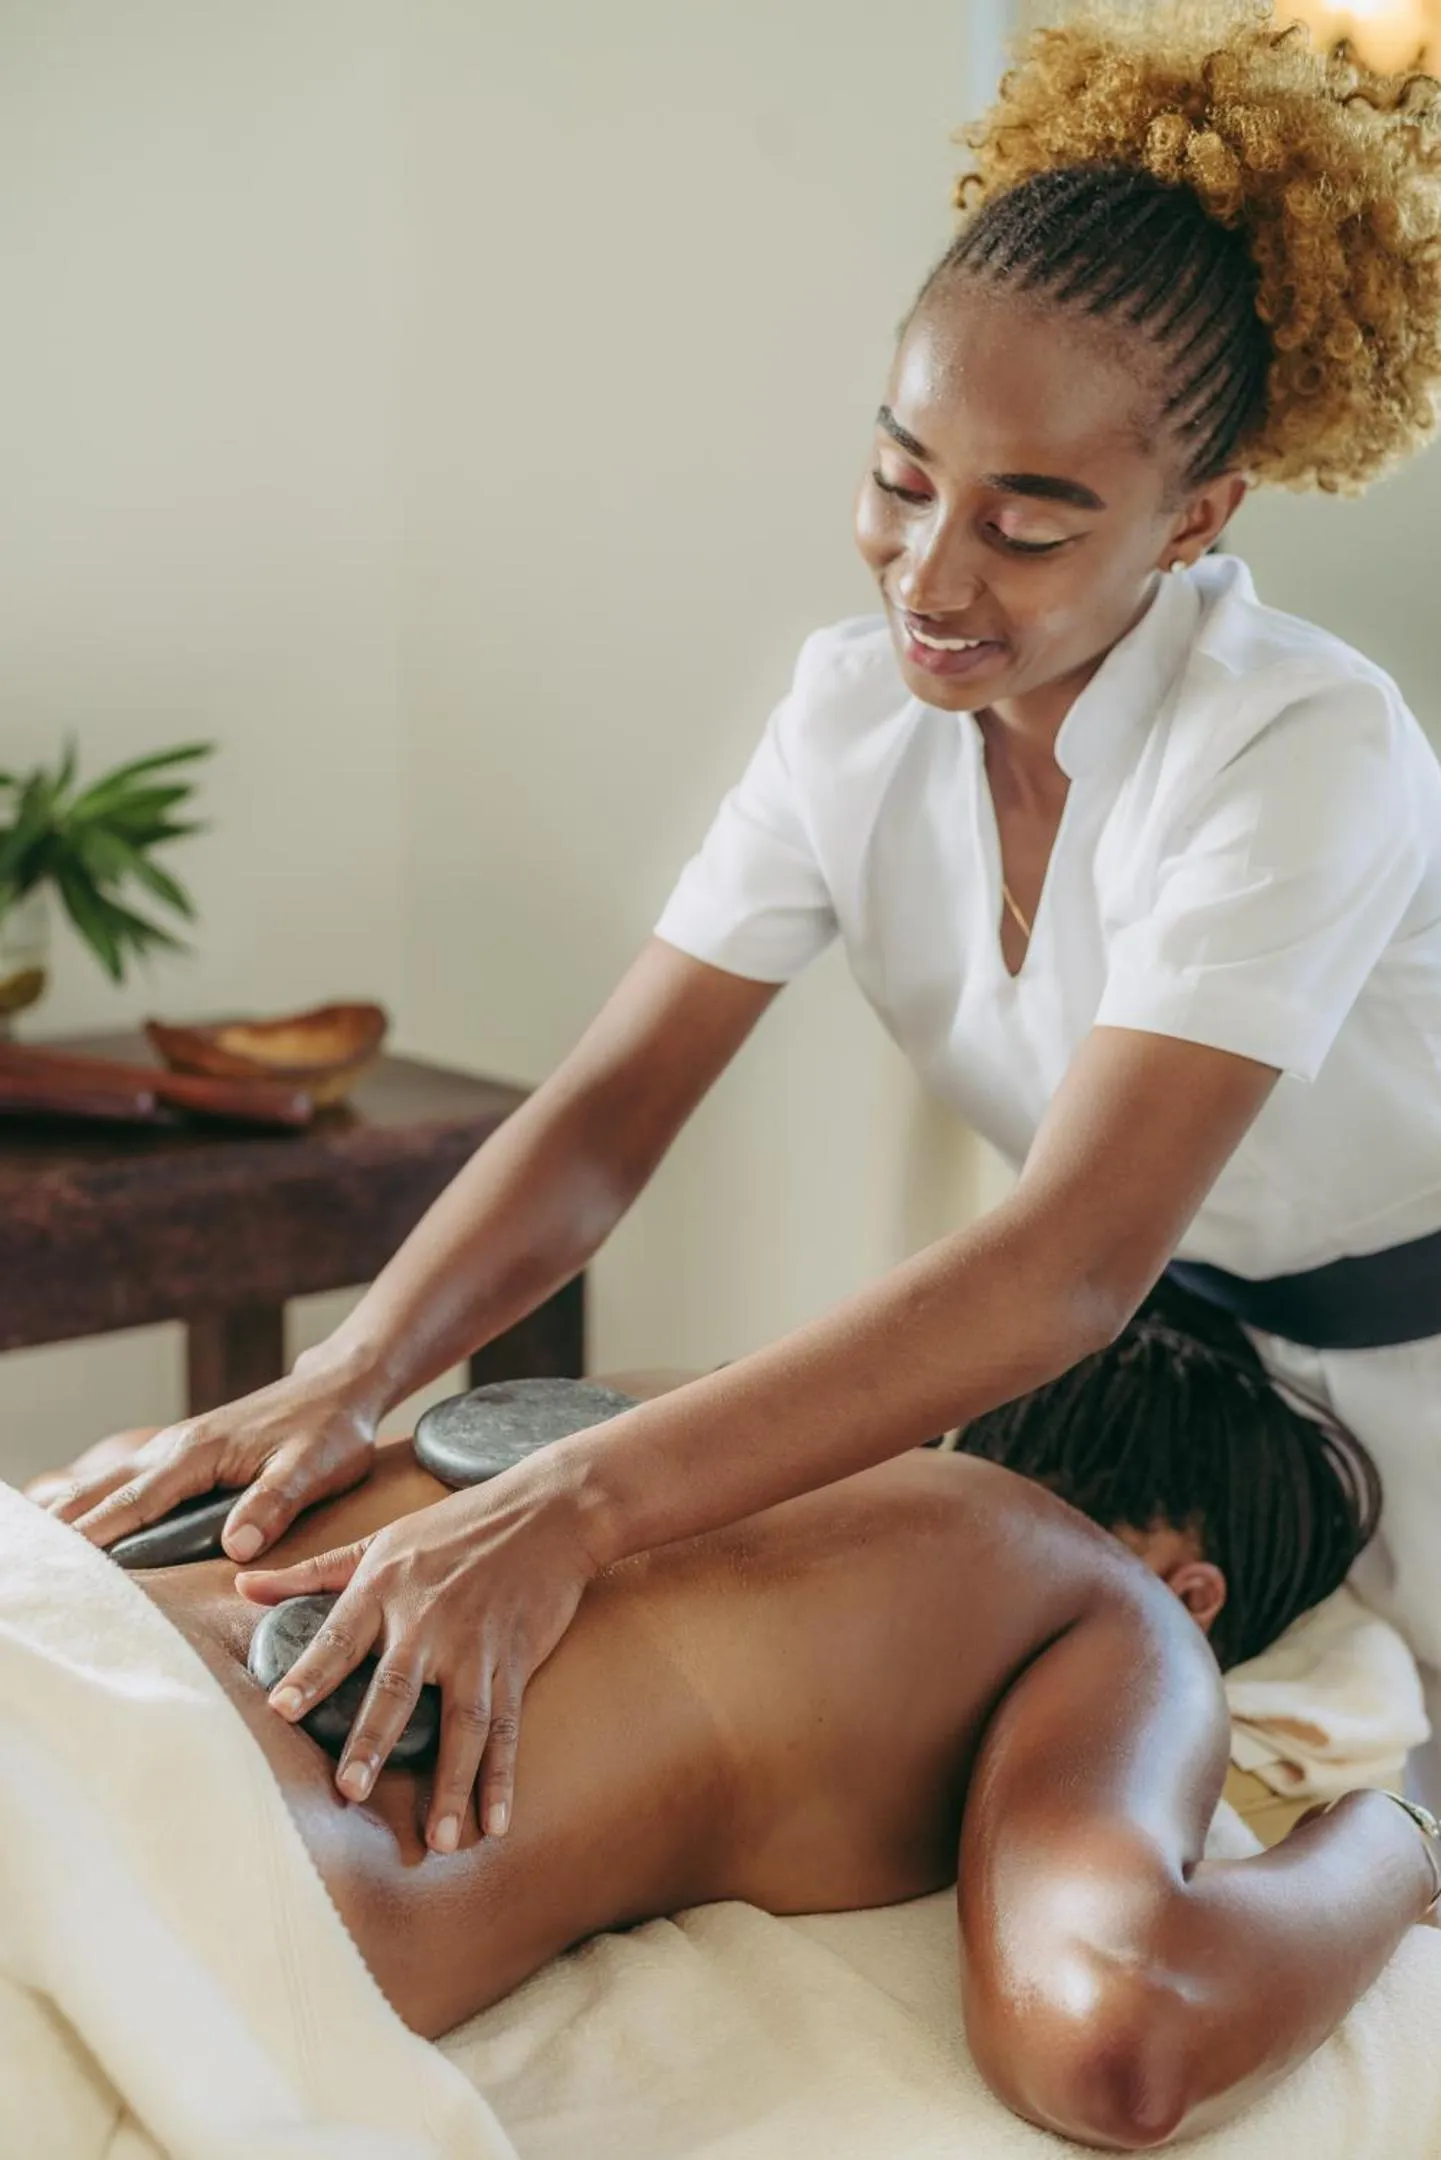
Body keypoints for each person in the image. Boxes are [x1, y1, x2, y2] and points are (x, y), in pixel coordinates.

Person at [43, 1, 1441, 1853]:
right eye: (898, 479)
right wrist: (347, 1371)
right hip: (1129, 1382)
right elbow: (611, 1111)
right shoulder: (855, 715)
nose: (931, 577)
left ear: (1197, 520)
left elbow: (1064, 1264)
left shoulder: (1303, 748)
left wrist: (581, 1506)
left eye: (1030, 527)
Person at [61, 1309, 1441, 2152]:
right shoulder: (1105, 1605)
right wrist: (1393, 1831)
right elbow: (1120, 2038)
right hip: (154, 1846)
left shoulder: (648, 1419)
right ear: (1198, 1592)